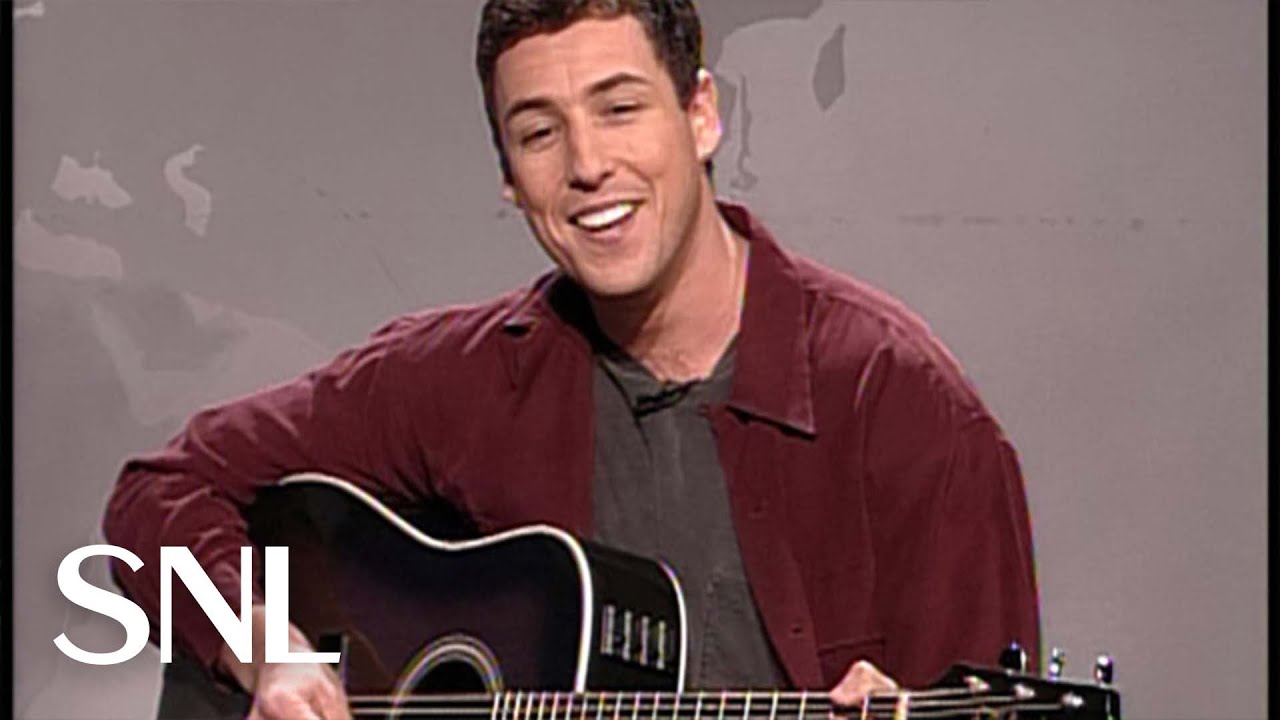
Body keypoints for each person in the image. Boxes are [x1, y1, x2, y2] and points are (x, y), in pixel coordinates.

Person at [102, 1, 1041, 718]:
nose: (587, 166)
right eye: (539, 132)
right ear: (510, 179)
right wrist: (265, 646)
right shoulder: (469, 378)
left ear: (702, 115)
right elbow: (161, 493)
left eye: (620, 108)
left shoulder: (904, 410)